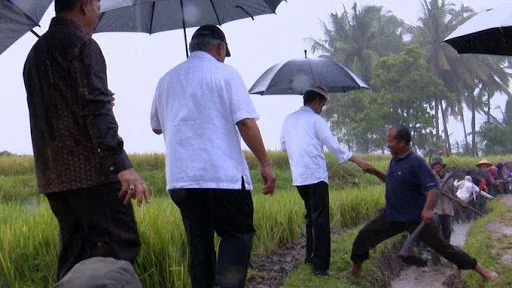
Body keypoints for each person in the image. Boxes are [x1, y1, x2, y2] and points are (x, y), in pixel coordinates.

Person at [23, 0, 150, 281]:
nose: (99, 7)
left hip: (55, 178)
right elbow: (97, 110)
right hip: (92, 173)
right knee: (117, 250)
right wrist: (122, 166)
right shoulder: (83, 45)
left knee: (76, 256)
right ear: (82, 6)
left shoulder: (35, 54)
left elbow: (63, 105)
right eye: (96, 2)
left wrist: (97, 95)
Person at [150, 25, 276, 288]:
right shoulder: (226, 74)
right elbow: (246, 123)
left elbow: (156, 126)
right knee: (236, 236)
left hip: (182, 181)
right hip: (222, 178)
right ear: (220, 48)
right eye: (224, 53)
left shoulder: (166, 80)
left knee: (200, 244)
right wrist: (265, 164)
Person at [346, 125, 500, 282]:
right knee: (364, 235)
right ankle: (356, 270)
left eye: (390, 141)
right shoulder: (395, 161)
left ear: (402, 142)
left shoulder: (416, 163)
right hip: (392, 215)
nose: (388, 144)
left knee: (444, 248)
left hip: (415, 218)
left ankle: (482, 271)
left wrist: (427, 210)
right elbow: (391, 181)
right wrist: (374, 171)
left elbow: (433, 188)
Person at [280, 86, 370, 276]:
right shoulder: (316, 120)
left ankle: (310, 257)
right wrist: (357, 161)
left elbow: (282, 146)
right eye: (323, 104)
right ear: (317, 101)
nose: (322, 109)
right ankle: (320, 267)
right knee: (320, 219)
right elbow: (334, 147)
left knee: (310, 216)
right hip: (315, 175)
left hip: (299, 177)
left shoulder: (288, 119)